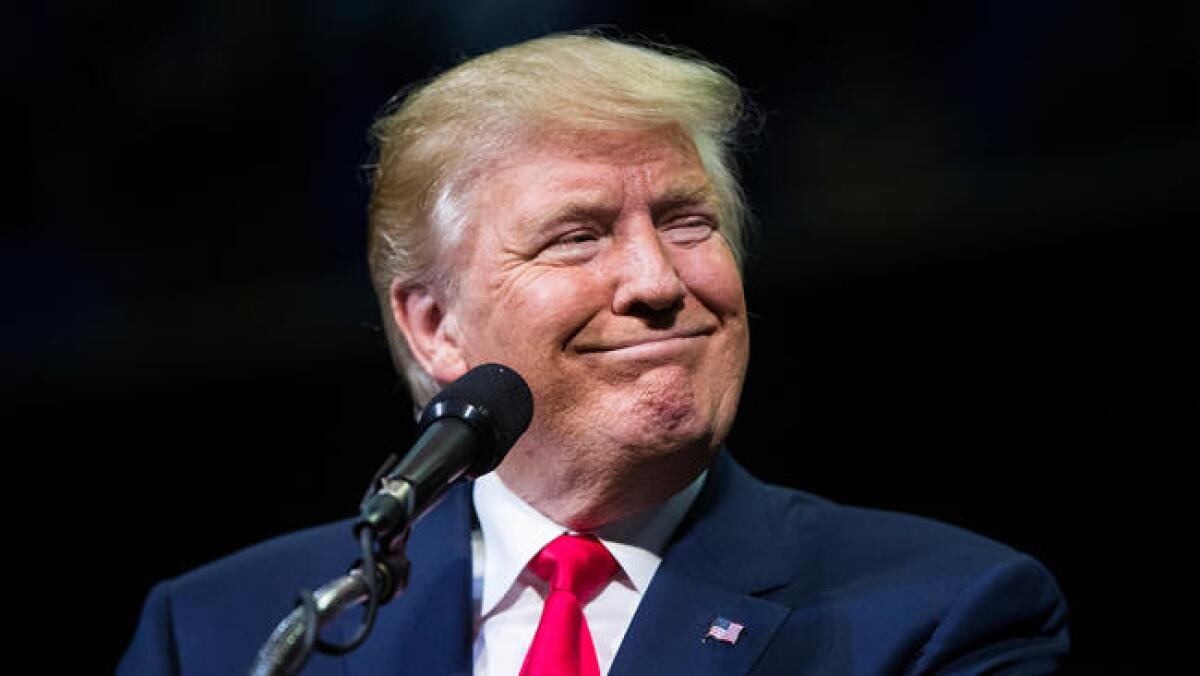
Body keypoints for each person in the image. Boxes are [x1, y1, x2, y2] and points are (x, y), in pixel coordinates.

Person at [119, 33, 1070, 675]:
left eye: (687, 221)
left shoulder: (944, 617)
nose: (658, 280)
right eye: (577, 235)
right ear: (433, 326)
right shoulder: (221, 636)